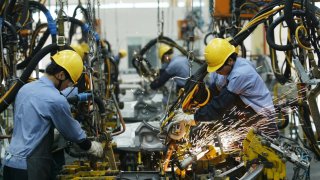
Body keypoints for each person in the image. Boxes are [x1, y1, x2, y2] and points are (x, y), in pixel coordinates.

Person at [3, 50, 103, 180]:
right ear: (61, 75)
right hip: (29, 167)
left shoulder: (25, 89)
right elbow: (73, 133)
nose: (68, 86)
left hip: (9, 164)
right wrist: (91, 147)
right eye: (69, 82)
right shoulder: (56, 100)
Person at [194, 38, 279, 138]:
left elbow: (220, 104)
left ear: (230, 61)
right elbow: (215, 91)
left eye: (218, 68)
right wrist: (198, 105)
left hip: (263, 122)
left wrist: (195, 117)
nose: (217, 72)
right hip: (248, 116)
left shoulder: (240, 74)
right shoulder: (229, 68)